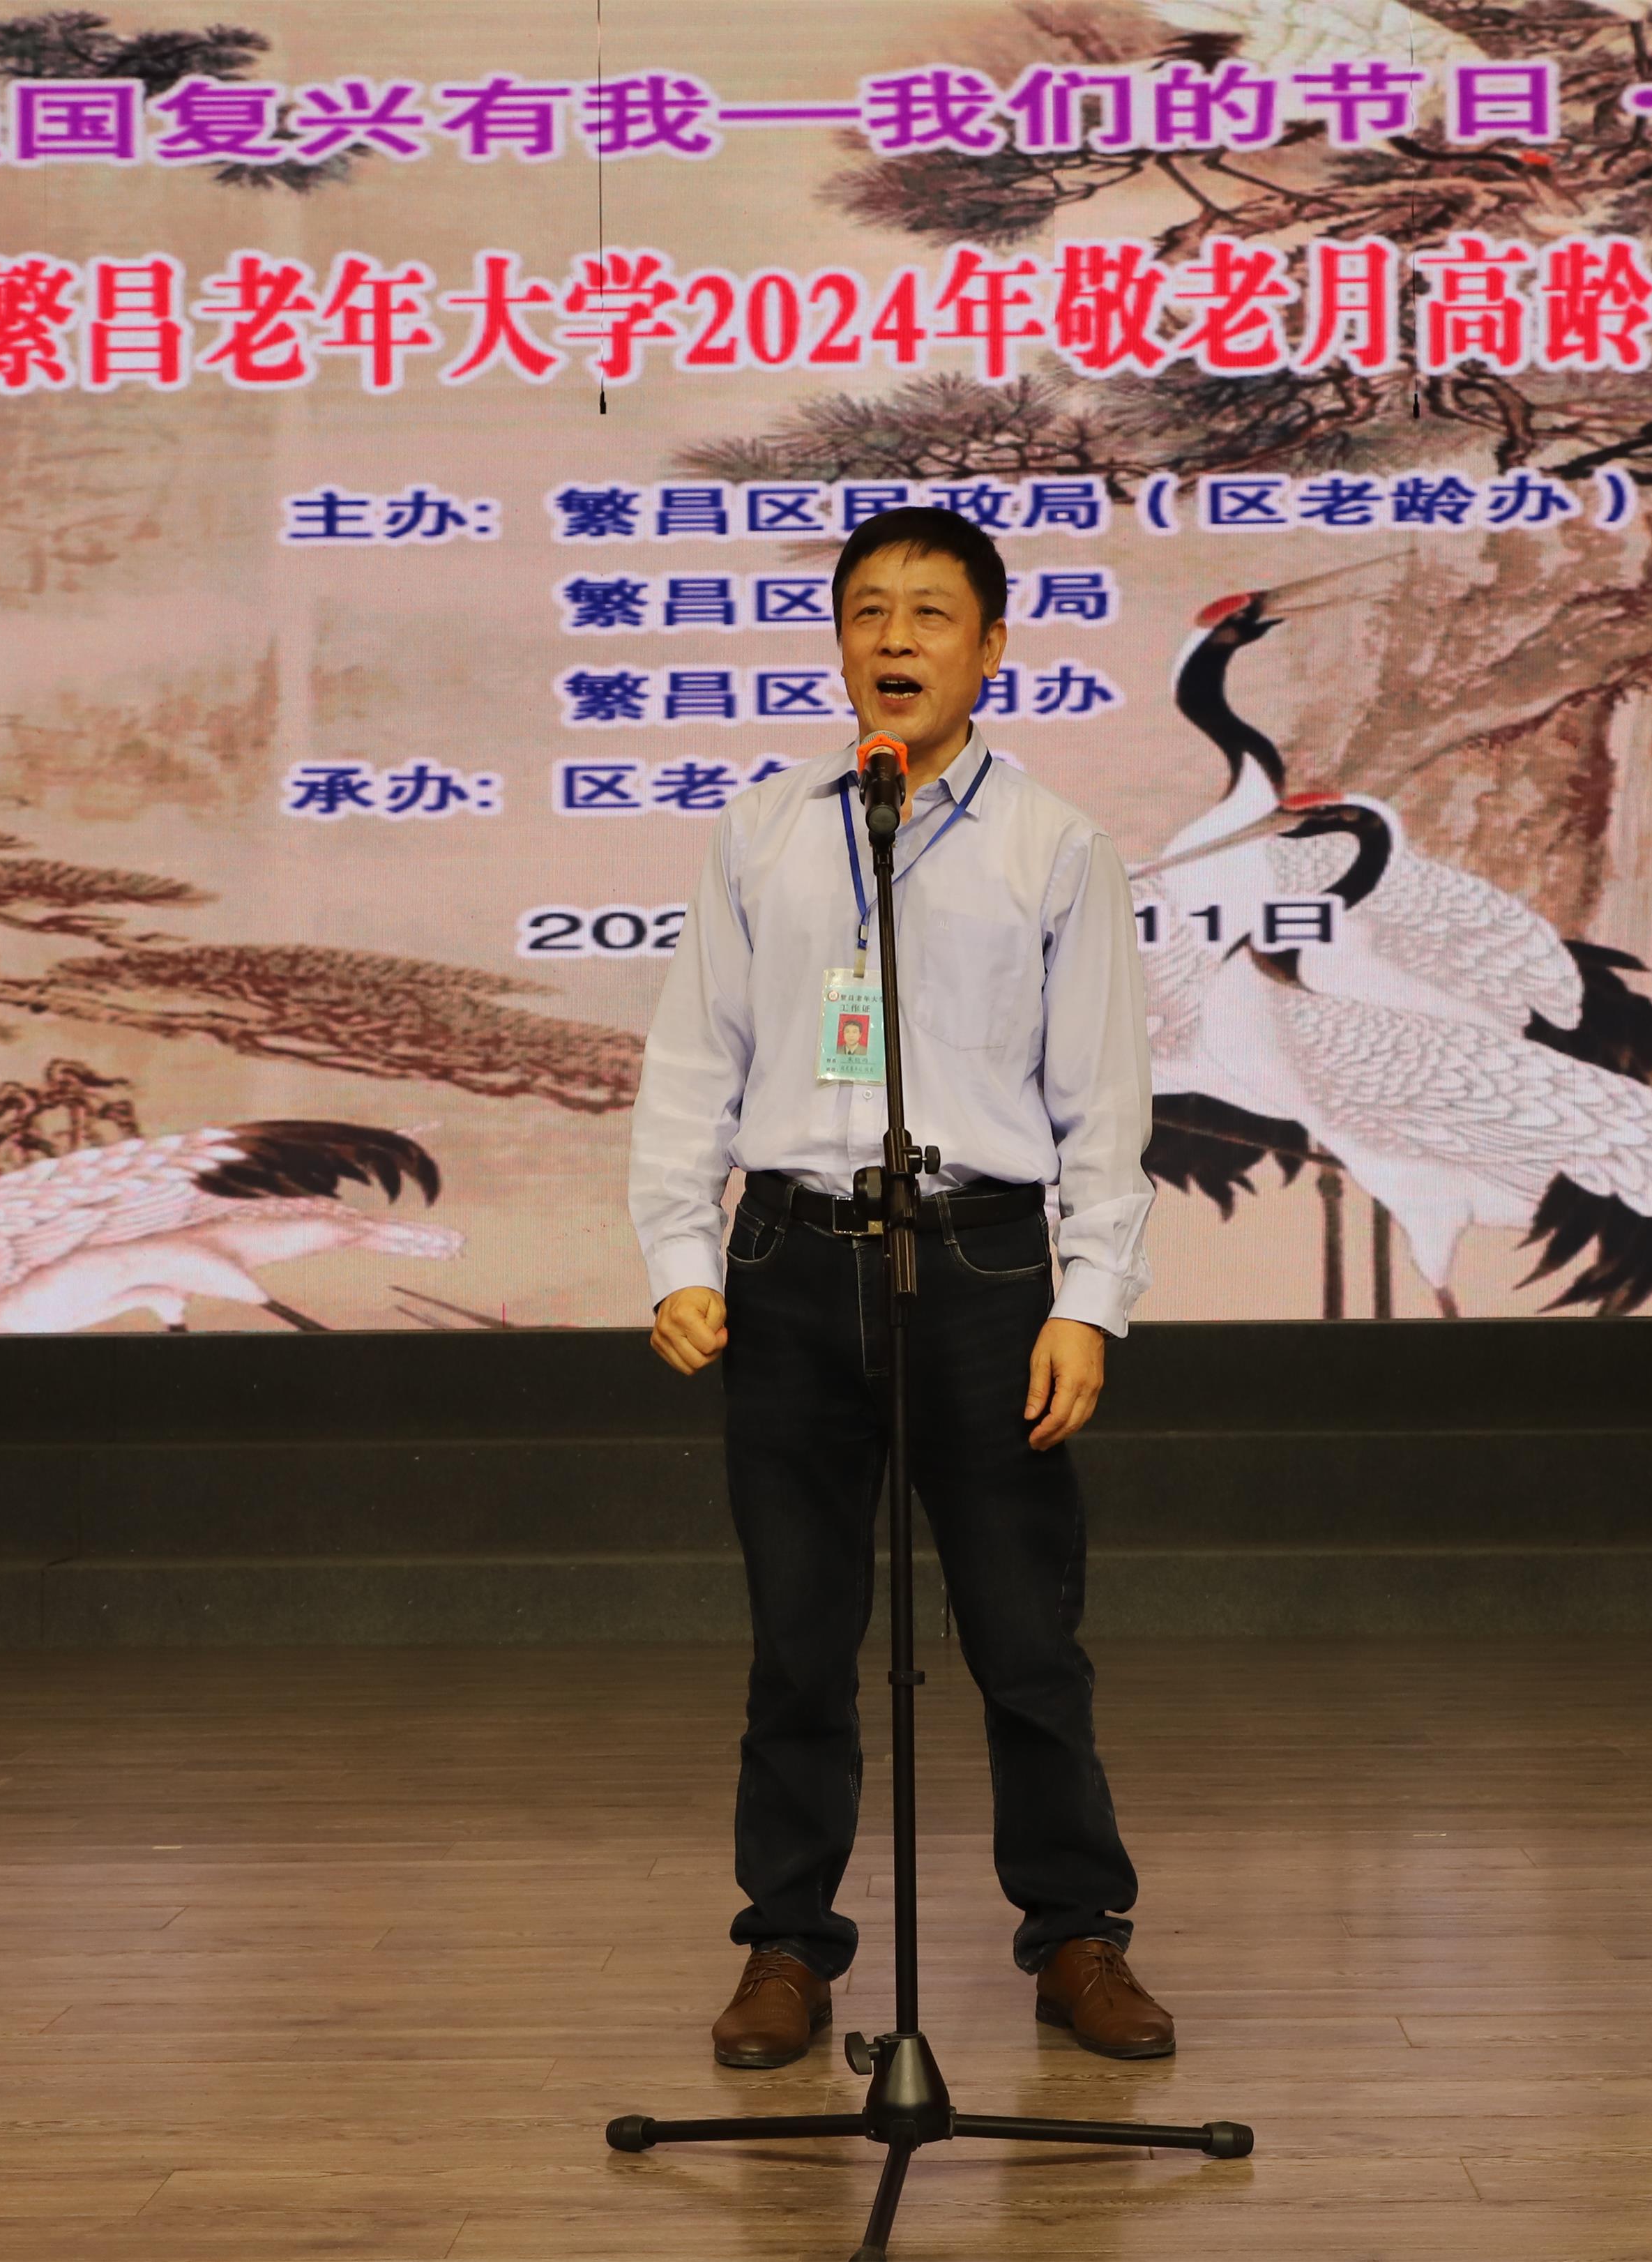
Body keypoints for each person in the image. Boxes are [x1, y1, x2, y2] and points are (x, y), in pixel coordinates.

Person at [628, 506, 1173, 2069]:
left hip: (982, 1261)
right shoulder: (765, 829)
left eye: (931, 614)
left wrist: (1090, 1299)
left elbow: (1103, 1097)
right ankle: (786, 1945)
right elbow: (695, 1059)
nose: (894, 639)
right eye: (868, 611)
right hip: (793, 1262)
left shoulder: (1052, 844)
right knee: (799, 1637)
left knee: (1022, 1633)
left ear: (990, 650)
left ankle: (1077, 1934)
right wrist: (679, 1254)